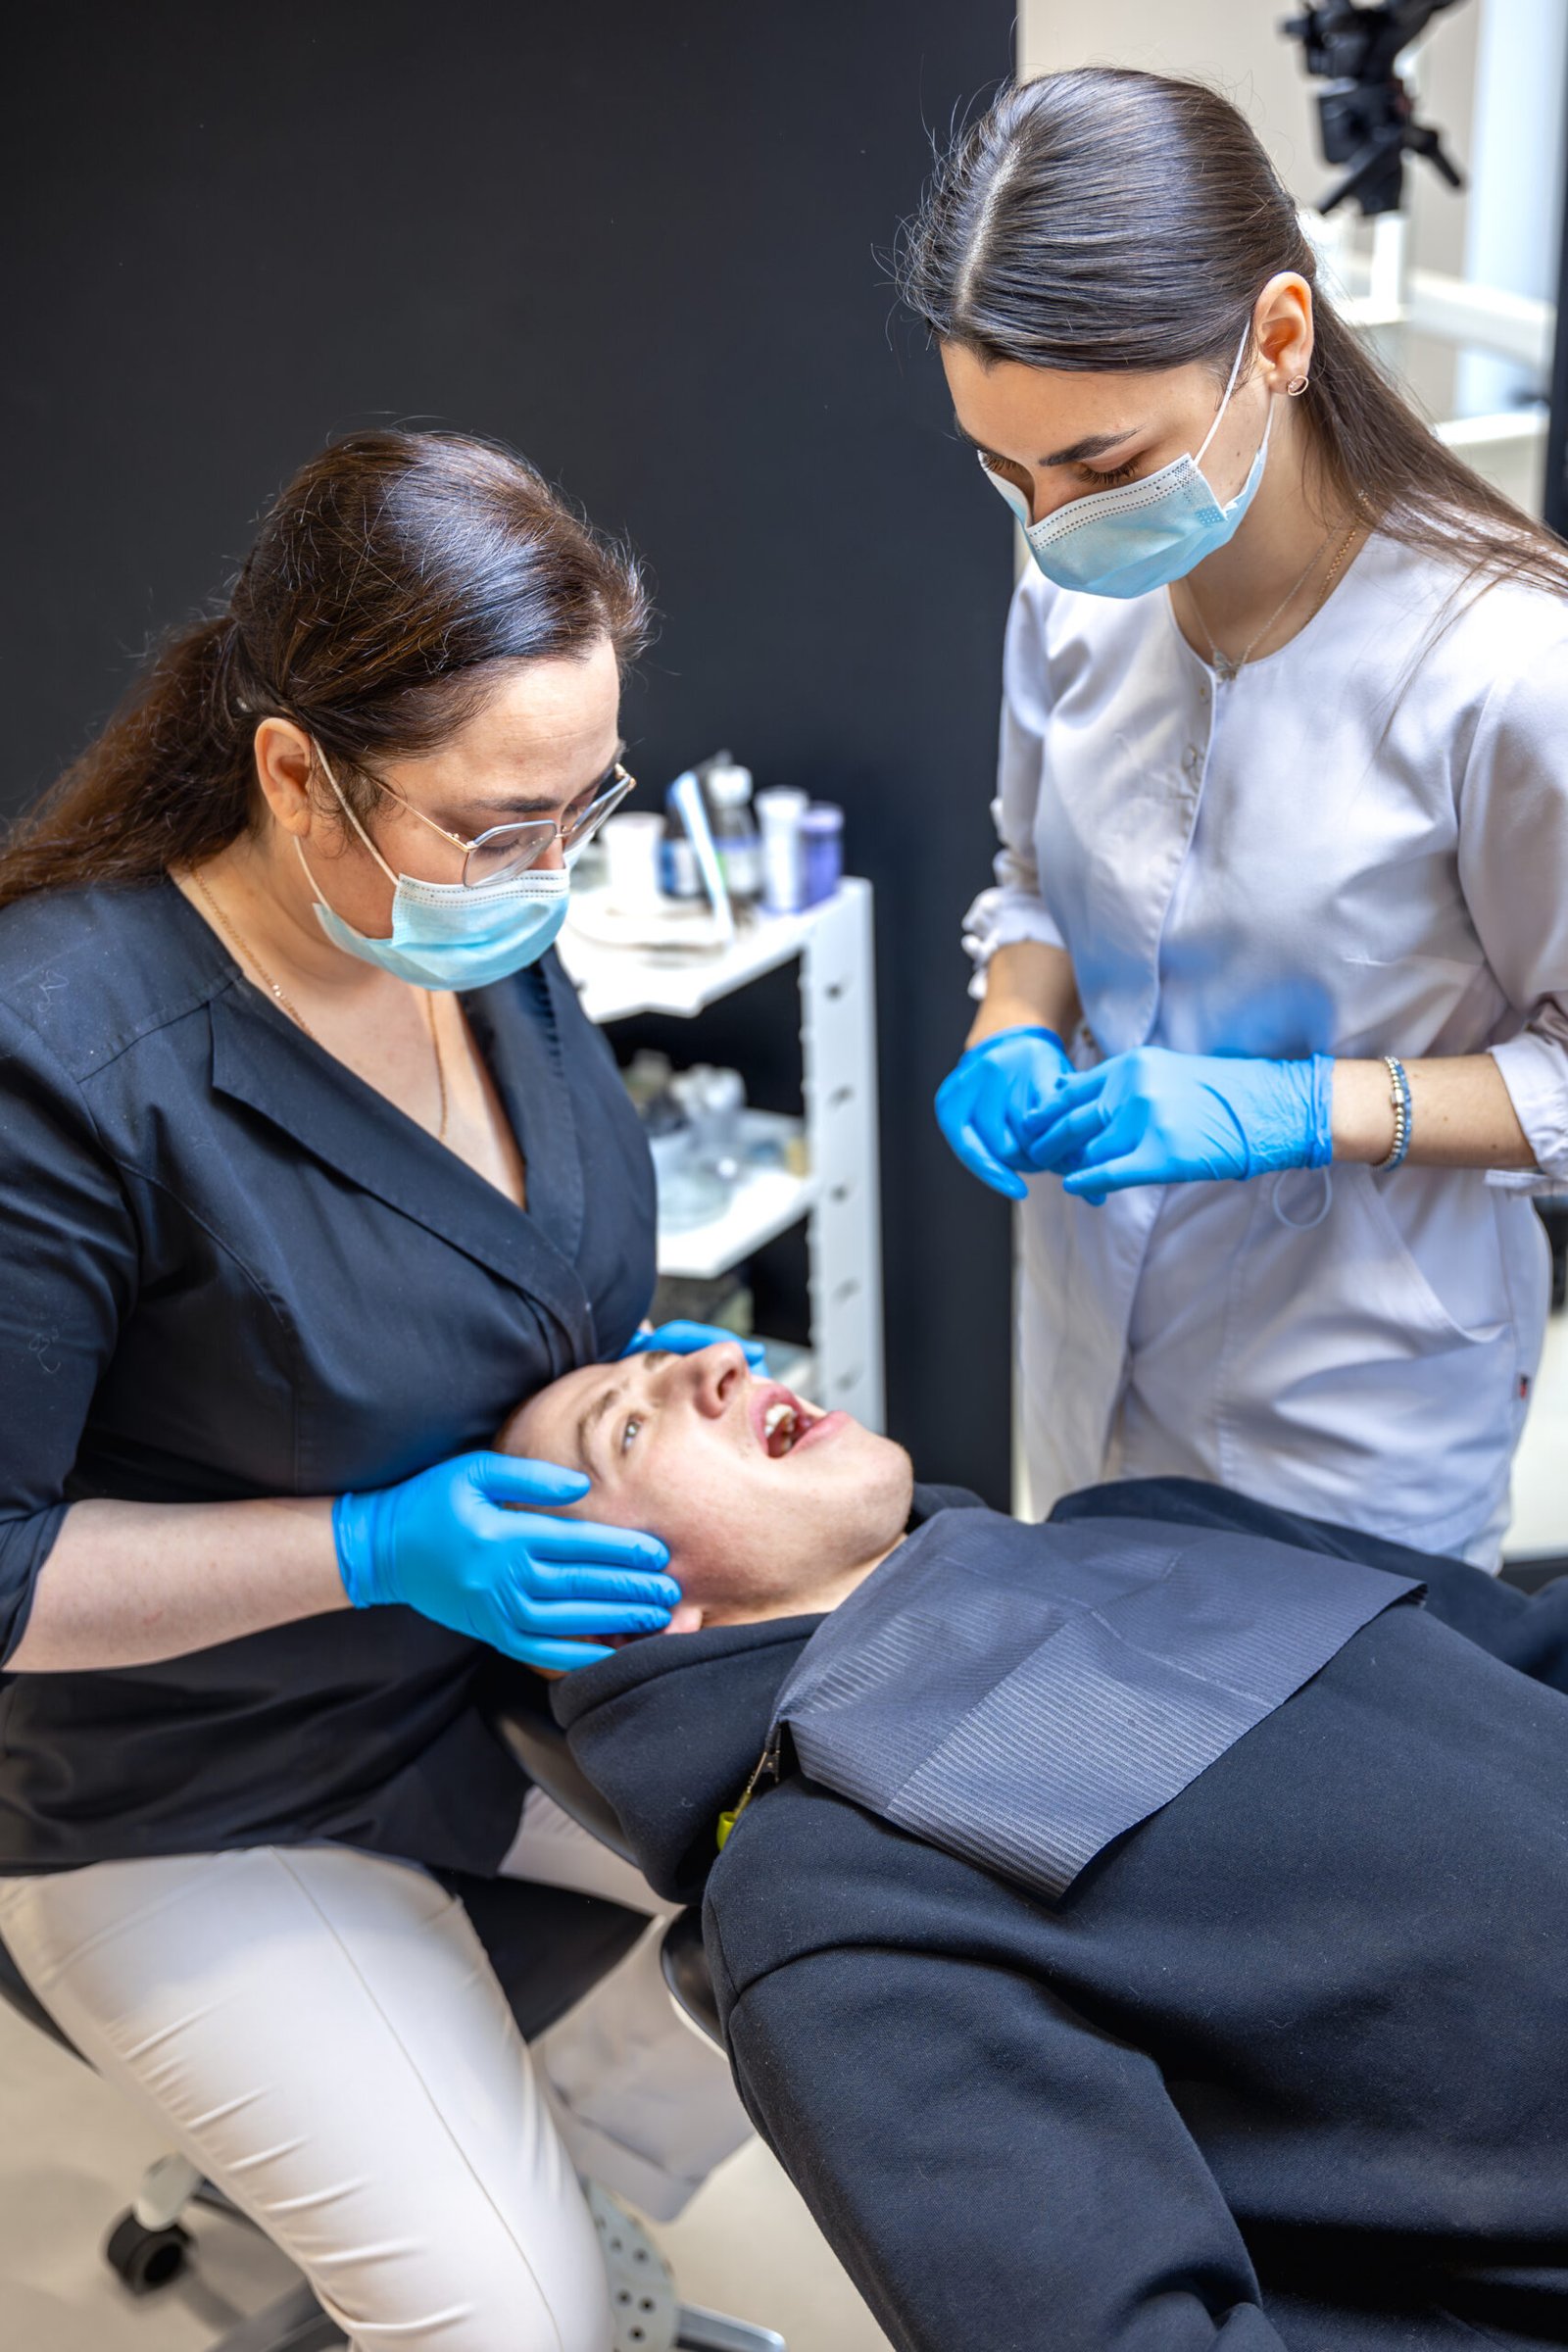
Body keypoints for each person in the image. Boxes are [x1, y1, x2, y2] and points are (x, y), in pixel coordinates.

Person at [0, 430, 757, 2352]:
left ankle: (527, 2184)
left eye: (583, 805)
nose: (551, 867)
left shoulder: (471, 928)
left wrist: (593, 1387)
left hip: (479, 1703)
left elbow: (462, 1267)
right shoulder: (67, 1061)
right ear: (288, 769)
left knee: (879, 1952)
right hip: (178, 1791)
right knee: (513, 2321)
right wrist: (366, 1544)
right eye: (500, 822)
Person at [506, 1340, 1568, 2351]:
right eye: (629, 1429)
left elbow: (1530, 1649)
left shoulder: (1138, 1517)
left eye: (673, 1357)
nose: (720, 1361)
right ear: (632, 1612)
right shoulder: (828, 1890)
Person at [907, 73, 1568, 1564]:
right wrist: (1010, 1018)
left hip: (1354, 1416)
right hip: (1091, 1355)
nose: (1053, 522)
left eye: (1102, 466)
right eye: (1004, 472)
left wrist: (1301, 1110)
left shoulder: (1510, 670)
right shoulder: (1076, 591)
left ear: (1276, 340)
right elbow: (1030, 880)